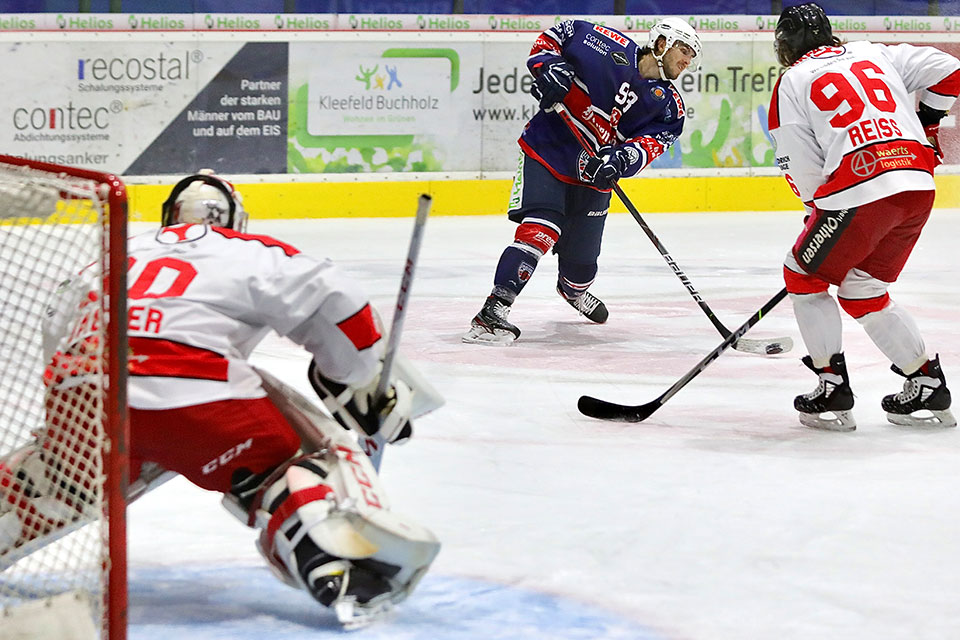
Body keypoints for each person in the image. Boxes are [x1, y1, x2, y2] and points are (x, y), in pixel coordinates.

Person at [0, 171, 440, 626]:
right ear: (235, 219)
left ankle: (57, 482)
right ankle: (337, 569)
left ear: (169, 215)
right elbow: (333, 297)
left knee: (62, 474)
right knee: (296, 463)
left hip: (85, 394)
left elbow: (58, 328)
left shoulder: (109, 257)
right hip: (196, 397)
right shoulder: (246, 250)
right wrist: (361, 379)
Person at [768, 3, 960, 431]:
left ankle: (831, 385)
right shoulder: (874, 52)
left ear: (785, 46)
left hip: (862, 186)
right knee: (862, 289)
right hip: (917, 185)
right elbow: (951, 70)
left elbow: (802, 165)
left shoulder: (792, 81)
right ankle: (927, 382)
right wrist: (926, 123)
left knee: (802, 275)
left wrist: (818, 213)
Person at [463, 18, 701, 345]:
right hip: (549, 151)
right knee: (540, 230)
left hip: (594, 177)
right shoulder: (603, 42)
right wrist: (550, 68)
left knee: (581, 268)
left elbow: (649, 145)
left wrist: (620, 160)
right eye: (683, 50)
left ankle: (573, 291)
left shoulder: (670, 108)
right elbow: (554, 37)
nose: (688, 61)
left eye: (692, 55)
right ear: (662, 43)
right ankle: (493, 311)